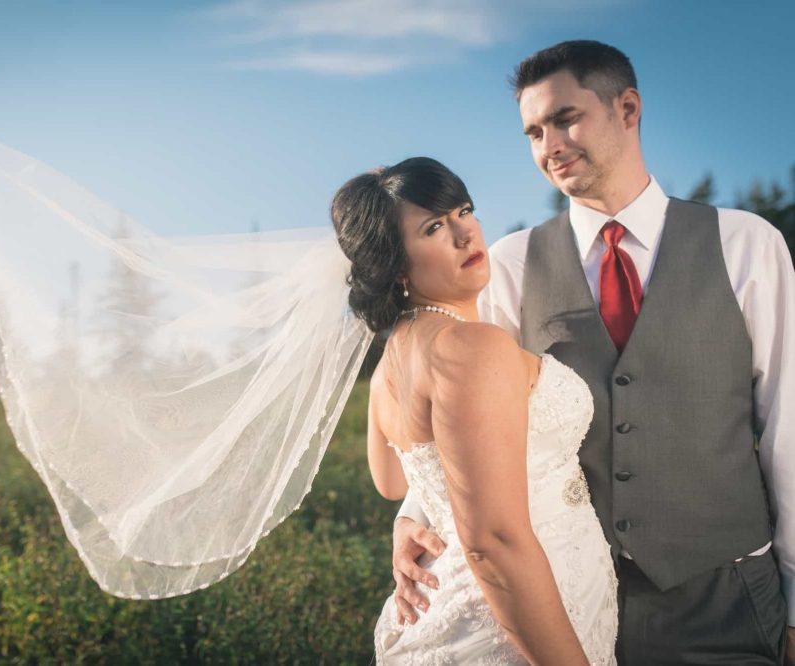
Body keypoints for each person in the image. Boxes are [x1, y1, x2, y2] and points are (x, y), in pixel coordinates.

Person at [392, 40, 795, 665]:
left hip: (729, 595)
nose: (548, 145)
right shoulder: (508, 265)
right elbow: (462, 416)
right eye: (532, 131)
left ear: (627, 108)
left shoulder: (747, 244)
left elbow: (788, 435)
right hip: (572, 601)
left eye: (565, 119)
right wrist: (413, 515)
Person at [330, 157, 617, 664]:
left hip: (456, 596)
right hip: (520, 617)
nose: (466, 233)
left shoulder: (389, 366)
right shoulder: (470, 347)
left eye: (465, 210)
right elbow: (494, 541)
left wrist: (411, 521)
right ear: (395, 264)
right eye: (435, 227)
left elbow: (394, 483)